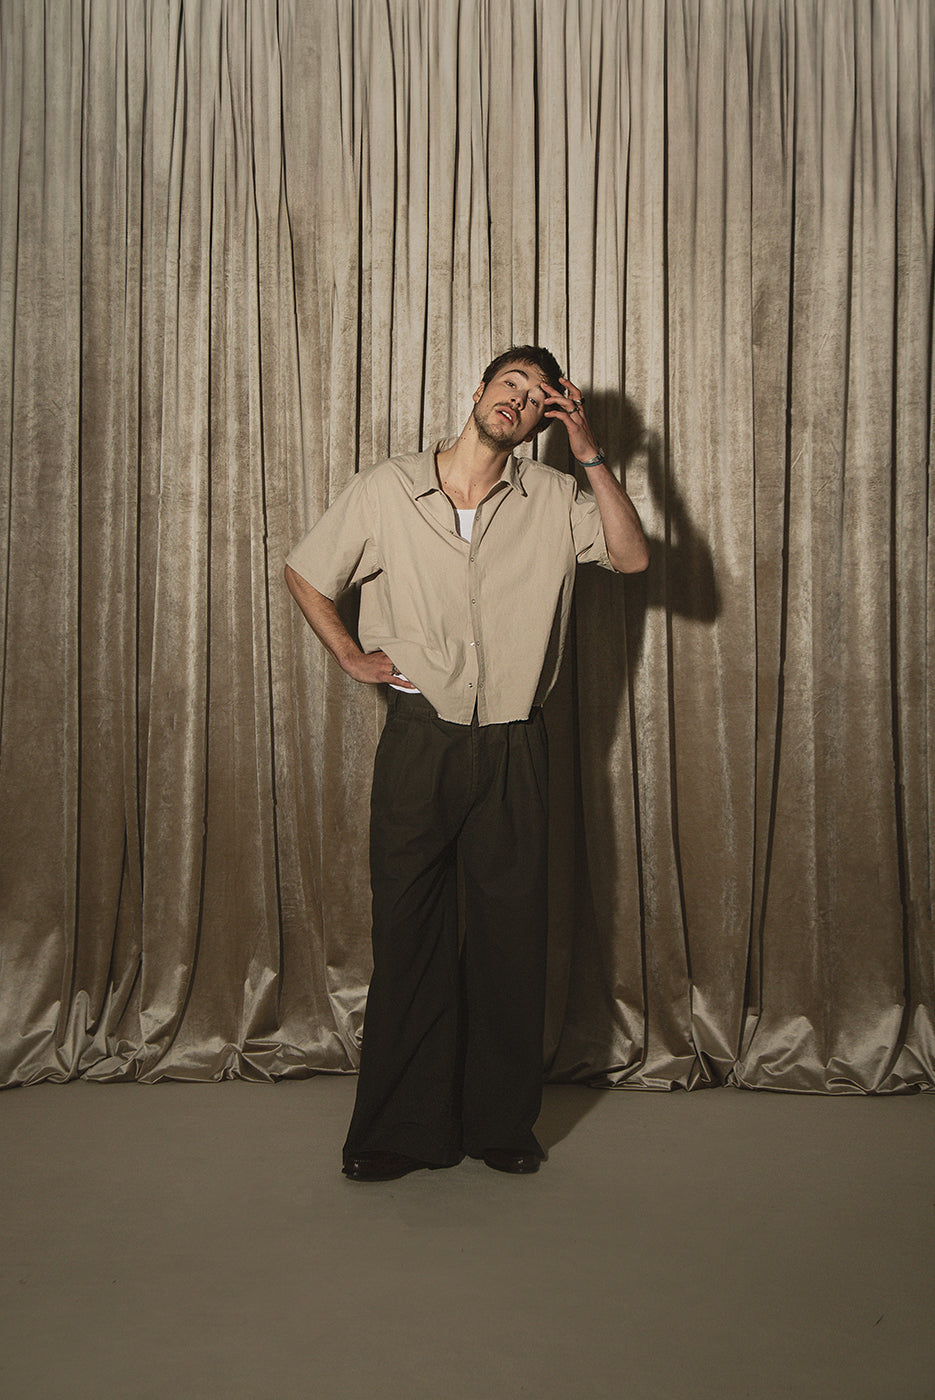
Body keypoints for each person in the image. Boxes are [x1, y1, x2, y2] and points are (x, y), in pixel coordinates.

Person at [285, 346, 649, 1181]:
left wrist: (588, 450)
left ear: (546, 418)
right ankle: (397, 1131)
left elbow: (631, 558)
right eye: (509, 384)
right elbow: (307, 571)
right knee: (408, 931)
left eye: (538, 396)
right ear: (479, 391)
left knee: (508, 939)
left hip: (516, 739)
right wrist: (349, 653)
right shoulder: (387, 487)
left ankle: (499, 1125)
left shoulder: (553, 496)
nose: (517, 399)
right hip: (422, 737)